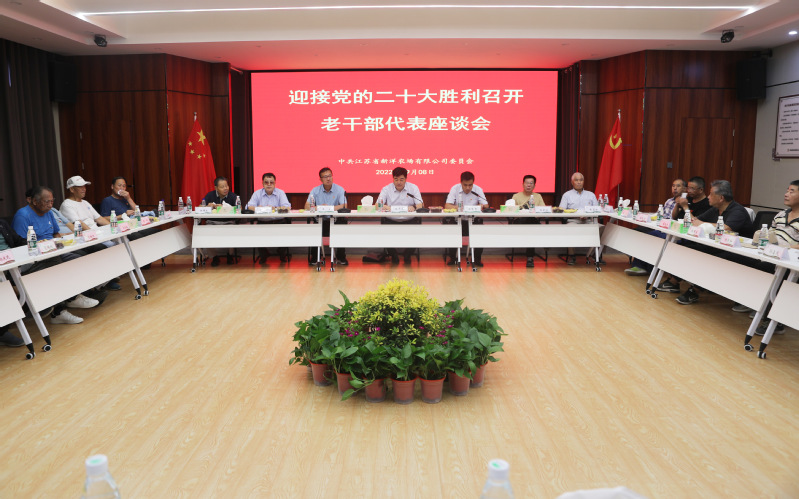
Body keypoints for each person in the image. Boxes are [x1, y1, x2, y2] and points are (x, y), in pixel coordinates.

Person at [10, 187, 99, 324]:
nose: (50, 205)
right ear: (34, 201)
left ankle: (73, 297)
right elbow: (20, 245)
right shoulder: (23, 216)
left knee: (79, 261)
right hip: (34, 259)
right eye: (47, 201)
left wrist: (58, 243)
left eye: (52, 201)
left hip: (53, 252)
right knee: (57, 269)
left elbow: (56, 234)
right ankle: (61, 309)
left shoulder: (49, 212)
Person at [676, 180, 754, 305]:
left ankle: (694, 291)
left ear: (721, 198)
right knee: (686, 248)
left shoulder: (737, 211)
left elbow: (725, 228)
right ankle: (675, 280)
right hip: (718, 245)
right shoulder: (715, 209)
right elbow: (694, 221)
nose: (708, 197)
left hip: (740, 251)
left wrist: (703, 224)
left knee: (712, 259)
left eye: (711, 194)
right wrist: (687, 210)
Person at [625, 178, 686, 276]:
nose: (675, 188)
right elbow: (660, 215)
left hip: (670, 230)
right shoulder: (669, 201)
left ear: (685, 189)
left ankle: (644, 266)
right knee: (637, 231)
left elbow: (674, 218)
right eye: (673, 186)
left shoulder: (685, 203)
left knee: (650, 237)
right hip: (660, 226)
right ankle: (635, 258)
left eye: (678, 186)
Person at [377, 167, 424, 265]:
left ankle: (407, 254)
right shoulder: (386, 189)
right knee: (384, 232)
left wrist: (414, 207)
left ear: (406, 179)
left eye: (401, 179)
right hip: (390, 221)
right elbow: (377, 205)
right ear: (393, 178)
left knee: (417, 232)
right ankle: (393, 255)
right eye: (396, 179)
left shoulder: (413, 188)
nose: (398, 182)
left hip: (410, 221)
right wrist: (387, 207)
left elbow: (421, 205)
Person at [305, 167, 348, 266]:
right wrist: (320, 208)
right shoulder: (315, 190)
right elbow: (306, 206)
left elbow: (344, 206)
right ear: (320, 179)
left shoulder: (340, 189)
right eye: (325, 177)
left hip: (336, 221)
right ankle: (315, 257)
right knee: (314, 228)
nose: (328, 179)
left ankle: (341, 257)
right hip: (320, 220)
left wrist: (329, 208)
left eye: (329, 176)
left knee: (342, 226)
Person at [444, 171, 488, 267]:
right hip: (457, 220)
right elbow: (447, 206)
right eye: (465, 185)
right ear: (461, 182)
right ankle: (453, 258)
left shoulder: (478, 189)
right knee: (451, 231)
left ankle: (477, 259)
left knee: (481, 233)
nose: (468, 188)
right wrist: (460, 208)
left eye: (470, 185)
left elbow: (486, 205)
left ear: (473, 183)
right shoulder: (455, 189)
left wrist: (480, 206)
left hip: (474, 221)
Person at [247, 172, 291, 264]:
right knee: (256, 233)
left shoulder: (280, 192)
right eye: (266, 182)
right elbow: (249, 207)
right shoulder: (257, 193)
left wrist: (275, 208)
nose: (269, 184)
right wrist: (259, 208)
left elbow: (287, 208)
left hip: (279, 222)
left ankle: (282, 253)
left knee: (285, 232)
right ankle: (263, 254)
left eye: (271, 182)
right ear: (262, 183)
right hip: (263, 222)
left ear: (275, 183)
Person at [559, 172, 599, 265]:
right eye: (576, 180)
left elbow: (597, 210)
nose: (579, 182)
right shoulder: (567, 195)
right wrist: (576, 215)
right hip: (573, 220)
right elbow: (561, 210)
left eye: (581, 180)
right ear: (572, 182)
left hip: (588, 221)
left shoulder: (591, 195)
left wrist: (587, 215)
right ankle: (572, 256)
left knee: (601, 229)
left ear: (583, 181)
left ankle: (592, 254)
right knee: (570, 229)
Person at [202, 176, 240, 267]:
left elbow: (240, 209)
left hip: (228, 222)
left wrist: (226, 208)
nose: (225, 188)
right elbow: (200, 208)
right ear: (216, 188)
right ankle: (214, 257)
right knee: (205, 233)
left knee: (233, 232)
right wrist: (208, 206)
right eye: (222, 187)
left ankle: (230, 255)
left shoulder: (233, 196)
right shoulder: (210, 195)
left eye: (226, 186)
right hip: (212, 222)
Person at [511, 175, 546, 268]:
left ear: (534, 185)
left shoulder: (538, 196)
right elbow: (511, 211)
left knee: (531, 226)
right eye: (527, 183)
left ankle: (530, 257)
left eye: (531, 183)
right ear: (523, 184)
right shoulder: (516, 196)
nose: (529, 185)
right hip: (519, 222)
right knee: (532, 225)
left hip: (533, 222)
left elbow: (543, 210)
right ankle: (530, 257)